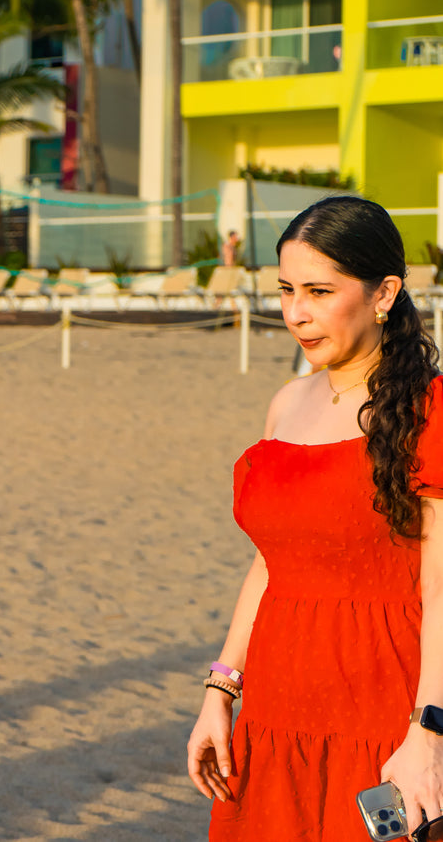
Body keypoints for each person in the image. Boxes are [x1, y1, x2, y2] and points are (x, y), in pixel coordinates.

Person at [186, 195, 443, 840]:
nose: (296, 314)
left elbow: (441, 586)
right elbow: (272, 562)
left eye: (320, 291)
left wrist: (429, 731)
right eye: (285, 290)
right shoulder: (287, 403)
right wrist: (222, 689)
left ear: (384, 293)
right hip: (277, 702)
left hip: (385, 702)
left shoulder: (429, 410)